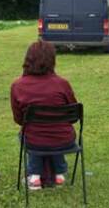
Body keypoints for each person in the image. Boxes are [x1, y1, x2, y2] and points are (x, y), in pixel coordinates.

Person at [10, 40, 77, 190]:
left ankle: (34, 177)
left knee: (30, 134)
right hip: (64, 140)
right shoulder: (62, 84)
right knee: (49, 134)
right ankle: (59, 173)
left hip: (35, 140)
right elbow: (73, 116)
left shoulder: (17, 86)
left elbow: (19, 120)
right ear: (52, 60)